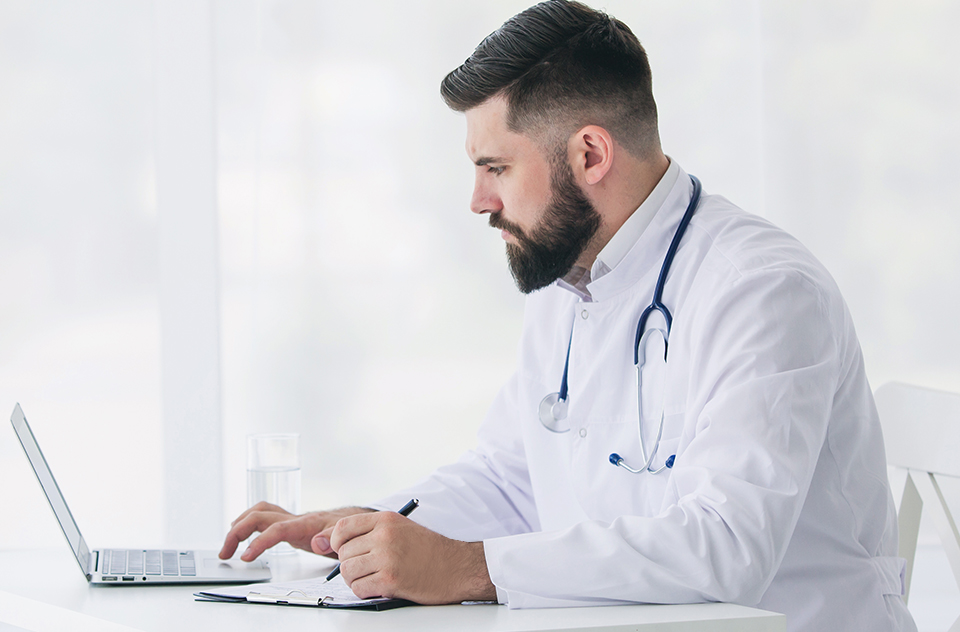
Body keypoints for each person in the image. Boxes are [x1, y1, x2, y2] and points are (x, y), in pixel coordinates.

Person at [218, 2, 916, 630]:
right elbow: (508, 477)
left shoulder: (762, 291)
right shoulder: (572, 280)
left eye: (495, 168)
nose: (478, 201)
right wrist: (373, 533)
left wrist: (471, 568)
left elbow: (726, 548)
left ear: (589, 154)